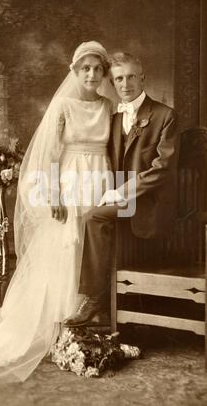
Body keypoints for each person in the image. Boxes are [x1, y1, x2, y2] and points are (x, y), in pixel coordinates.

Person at [0, 41, 117, 391]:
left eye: (97, 69)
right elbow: (51, 156)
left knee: (94, 248)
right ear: (74, 72)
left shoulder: (108, 106)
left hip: (101, 179)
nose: (91, 74)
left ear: (104, 74)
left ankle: (89, 317)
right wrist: (54, 194)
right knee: (64, 247)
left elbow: (115, 150)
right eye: (84, 68)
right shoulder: (63, 105)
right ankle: (55, 320)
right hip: (71, 179)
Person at [65, 51, 180, 327]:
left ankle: (94, 299)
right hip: (124, 202)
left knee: (94, 217)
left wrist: (121, 191)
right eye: (118, 79)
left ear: (142, 78)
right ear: (113, 83)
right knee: (82, 213)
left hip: (150, 203)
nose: (125, 84)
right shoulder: (115, 118)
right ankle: (101, 303)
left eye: (130, 77)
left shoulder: (165, 116)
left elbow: (163, 168)